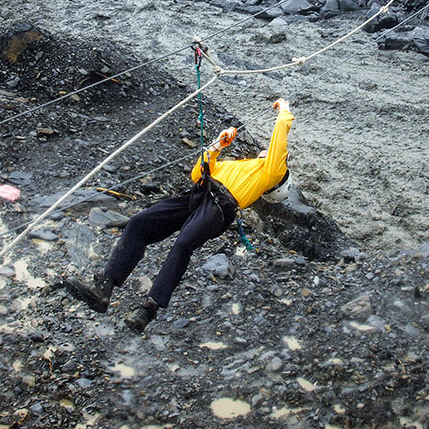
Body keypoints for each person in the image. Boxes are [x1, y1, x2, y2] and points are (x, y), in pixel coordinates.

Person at [64, 99, 296, 333]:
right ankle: (105, 287)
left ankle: (148, 309)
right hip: (198, 194)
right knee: (138, 224)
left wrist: (284, 111)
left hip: (219, 208)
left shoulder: (271, 174)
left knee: (183, 245)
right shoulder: (240, 165)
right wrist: (216, 147)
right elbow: (198, 174)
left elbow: (278, 145)